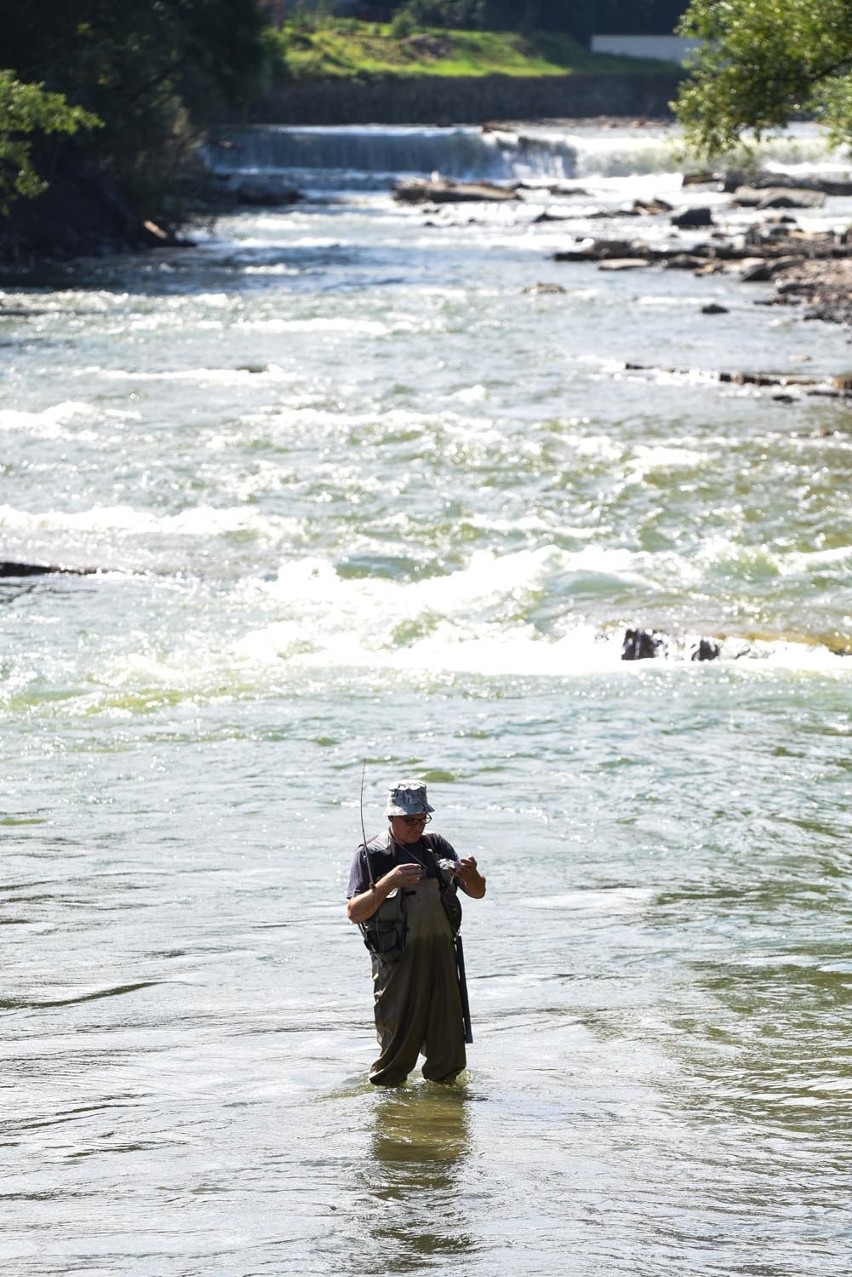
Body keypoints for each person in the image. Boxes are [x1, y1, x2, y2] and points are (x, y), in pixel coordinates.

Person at [347, 779, 486, 1086]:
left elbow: (477, 893)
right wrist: (388, 883)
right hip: (398, 967)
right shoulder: (372, 855)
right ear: (391, 817)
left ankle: (444, 1116)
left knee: (448, 1056)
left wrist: (473, 876)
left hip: (442, 961)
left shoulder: (436, 846)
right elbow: (354, 912)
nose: (418, 826)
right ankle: (389, 1115)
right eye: (410, 820)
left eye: (422, 818)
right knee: (394, 1059)